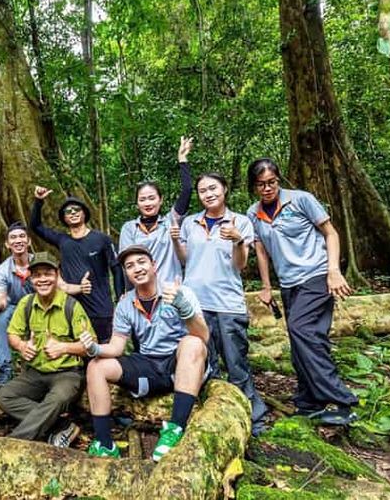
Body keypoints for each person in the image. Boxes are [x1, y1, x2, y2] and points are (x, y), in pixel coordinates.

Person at [246, 158, 358, 426]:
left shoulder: (301, 200)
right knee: (305, 339)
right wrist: (265, 286)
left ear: (278, 180)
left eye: (271, 182)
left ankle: (343, 402)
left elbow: (331, 234)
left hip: (317, 276)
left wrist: (333, 270)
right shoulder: (253, 213)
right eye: (261, 184)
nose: (267, 188)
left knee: (301, 329)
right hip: (288, 283)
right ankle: (310, 401)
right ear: (254, 186)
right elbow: (261, 251)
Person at [81, 244, 209, 462]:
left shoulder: (180, 292)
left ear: (154, 266)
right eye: (130, 266)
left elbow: (203, 336)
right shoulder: (125, 304)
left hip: (179, 362)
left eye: (141, 262)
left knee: (192, 343)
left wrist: (183, 307)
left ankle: (174, 430)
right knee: (96, 366)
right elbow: (117, 347)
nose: (137, 269)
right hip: (148, 364)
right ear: (127, 273)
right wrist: (95, 349)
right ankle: (104, 443)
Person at [174, 172, 267, 435]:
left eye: (213, 188)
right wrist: (173, 239)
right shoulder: (191, 222)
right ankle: (215, 417)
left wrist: (237, 239)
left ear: (225, 189)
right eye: (203, 191)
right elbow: (184, 259)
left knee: (236, 362)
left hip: (227, 303)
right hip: (197, 304)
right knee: (208, 365)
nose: (208, 194)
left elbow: (239, 265)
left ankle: (253, 416)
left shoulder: (241, 221)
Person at [0, 252, 96, 447]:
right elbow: (12, 335)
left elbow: (91, 344)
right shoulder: (26, 304)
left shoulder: (71, 306)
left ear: (57, 275)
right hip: (34, 373)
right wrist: (22, 346)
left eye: (47, 274)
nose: (43, 279)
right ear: (31, 278)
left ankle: (14, 443)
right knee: (4, 395)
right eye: (37, 275)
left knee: (57, 399)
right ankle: (62, 425)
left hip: (67, 374)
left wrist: (64, 347)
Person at [30, 187, 124, 343]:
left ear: (84, 213)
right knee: (77, 348)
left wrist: (120, 298)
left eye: (76, 209)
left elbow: (116, 267)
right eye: (68, 211)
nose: (73, 213)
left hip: (99, 307)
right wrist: (39, 201)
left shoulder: (101, 239)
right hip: (71, 305)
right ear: (64, 218)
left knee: (103, 347)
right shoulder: (62, 240)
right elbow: (36, 226)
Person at [119, 136, 194, 284]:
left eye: (152, 198)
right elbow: (126, 263)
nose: (147, 203)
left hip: (170, 291)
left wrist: (182, 160)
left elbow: (187, 190)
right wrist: (125, 292)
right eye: (142, 199)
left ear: (161, 200)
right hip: (142, 292)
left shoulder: (170, 221)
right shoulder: (129, 228)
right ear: (137, 204)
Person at [0, 221, 35, 389]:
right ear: (7, 244)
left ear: (29, 241)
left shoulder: (39, 262)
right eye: (13, 238)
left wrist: (78, 288)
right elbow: (2, 303)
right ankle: (5, 368)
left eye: (22, 236)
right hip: (15, 306)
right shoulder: (2, 270)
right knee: (0, 320)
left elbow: (59, 286)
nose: (18, 241)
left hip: (40, 304)